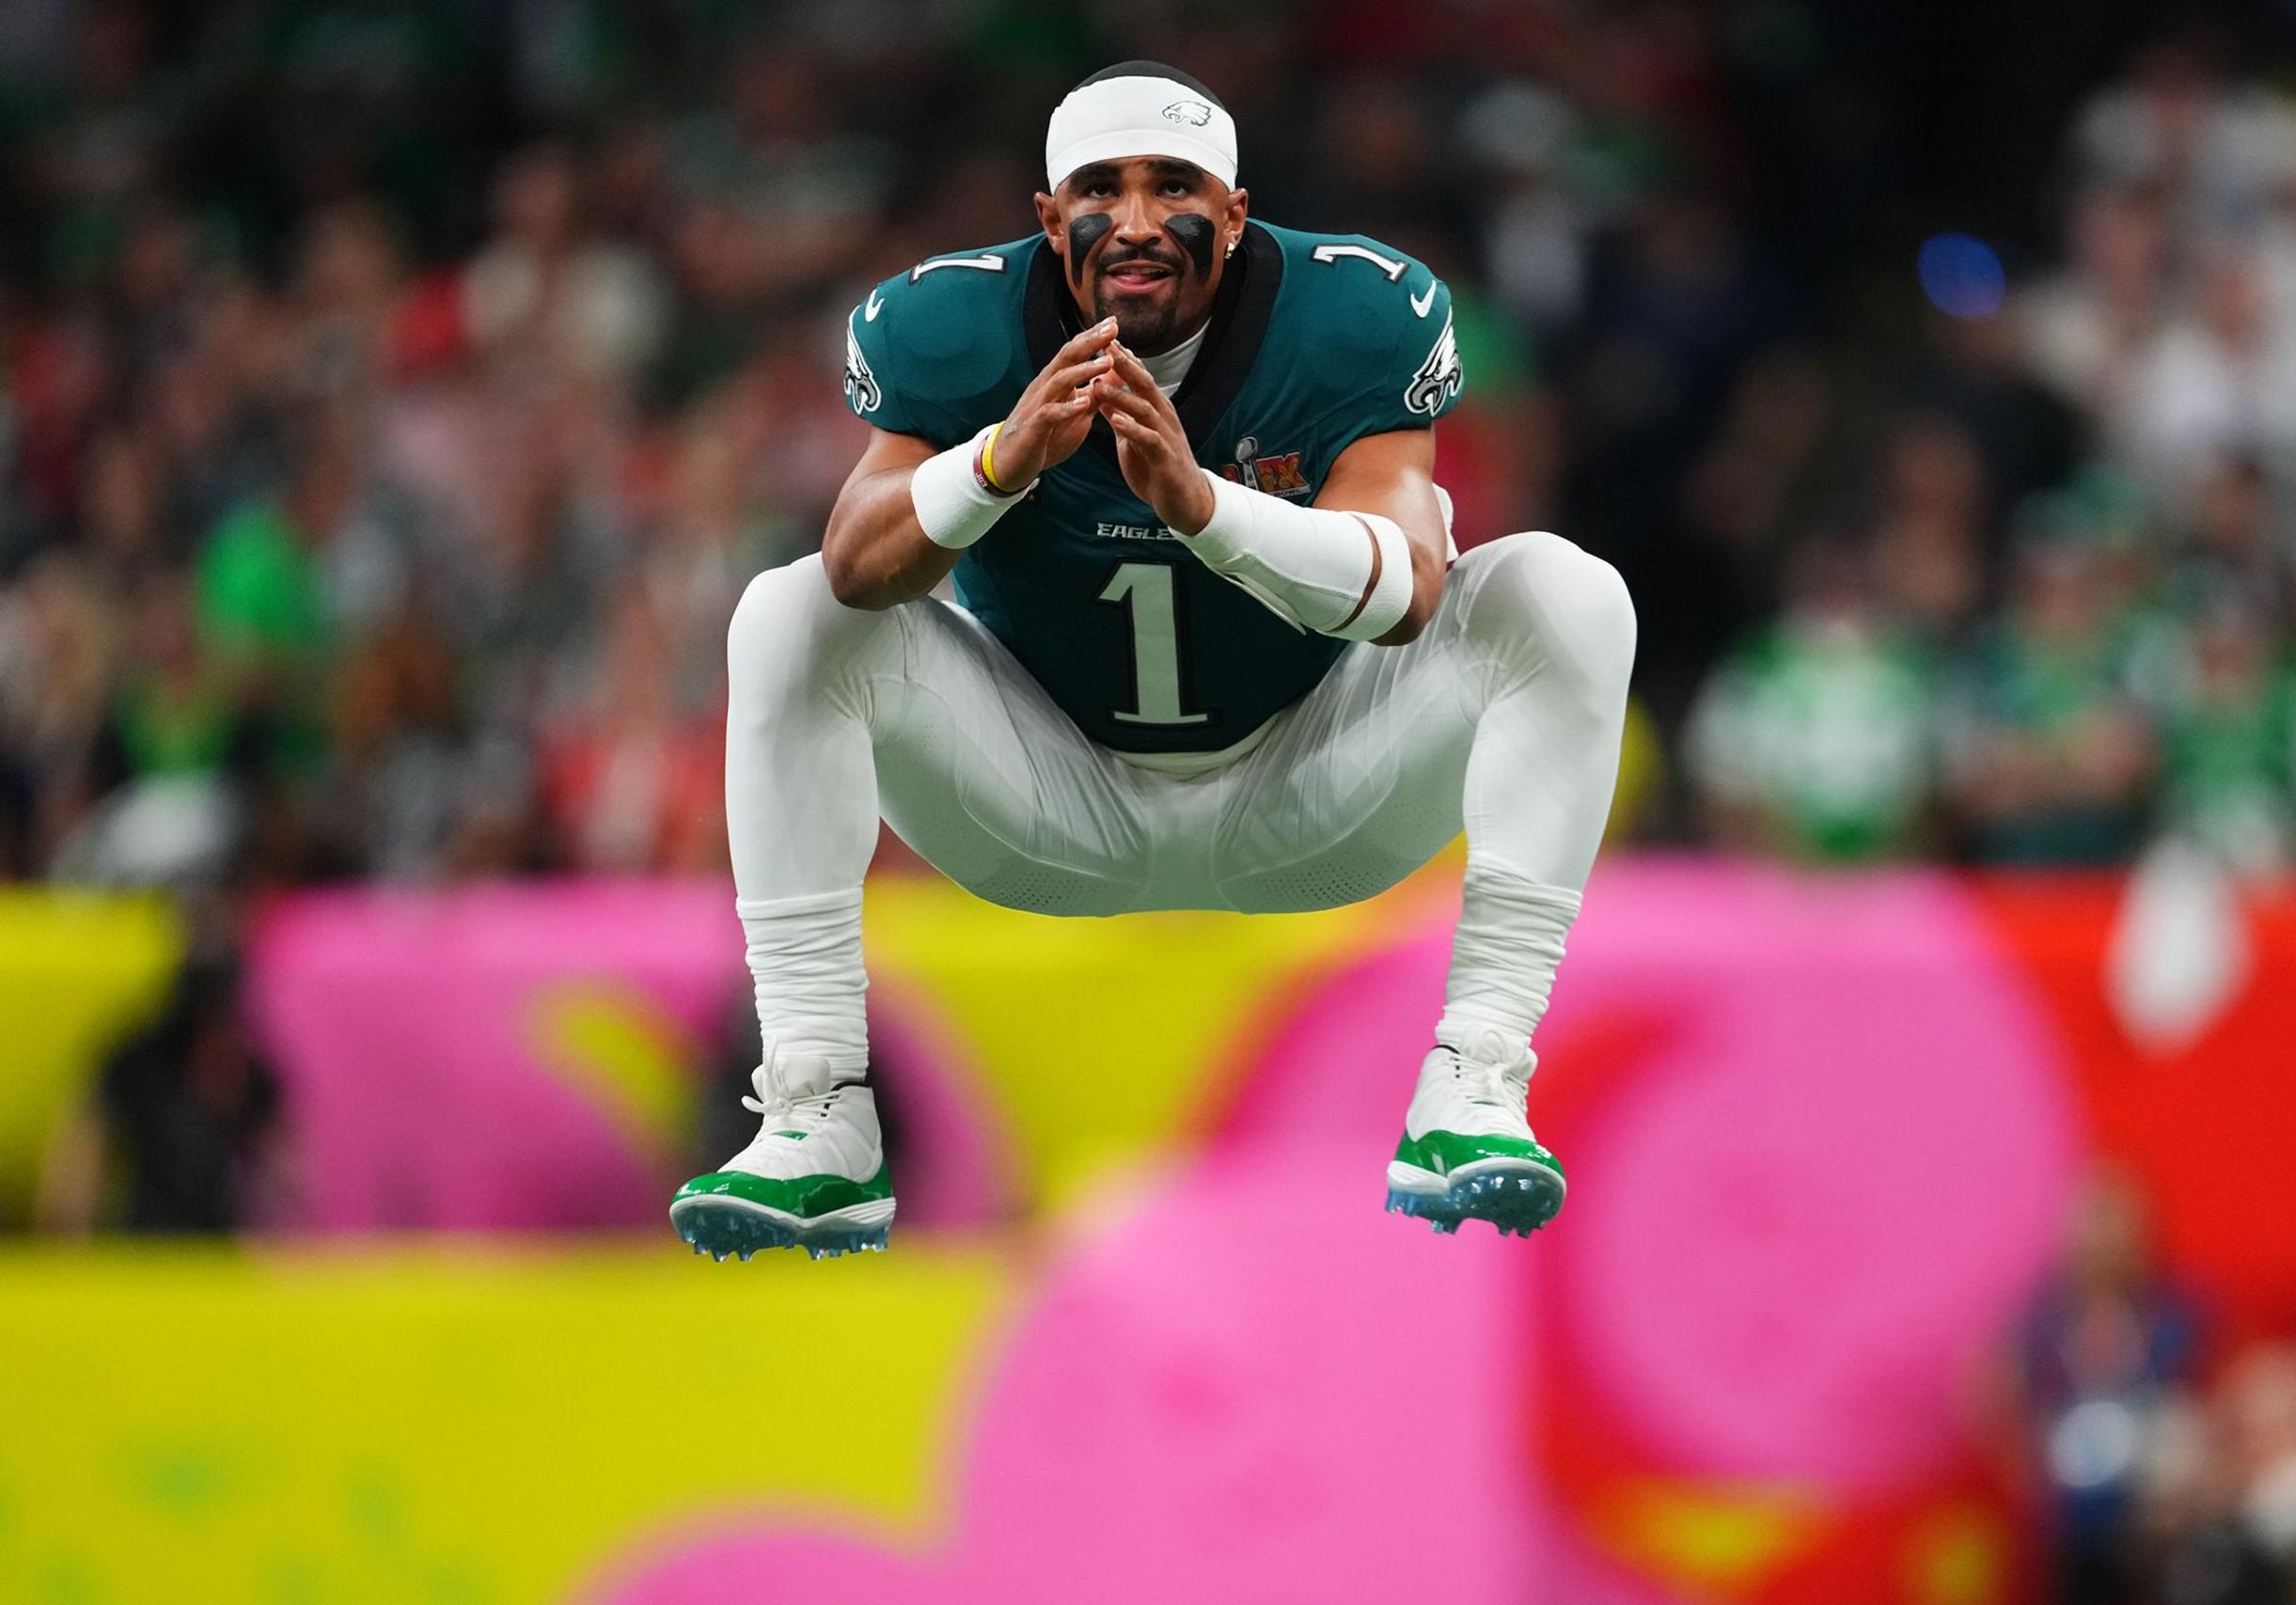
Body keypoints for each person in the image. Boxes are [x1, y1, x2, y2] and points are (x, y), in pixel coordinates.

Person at [669, 63, 1637, 1261]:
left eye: (1172, 186)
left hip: (1312, 787)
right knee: (782, 612)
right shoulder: (952, 328)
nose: (1133, 223)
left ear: (1234, 215)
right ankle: (819, 1111)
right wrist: (995, 465)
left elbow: (1404, 592)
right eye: (1100, 189)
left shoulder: (1352, 316)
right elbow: (856, 568)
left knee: (1568, 589)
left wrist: (1203, 509)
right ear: (1046, 218)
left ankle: (1476, 1080)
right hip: (1048, 797)